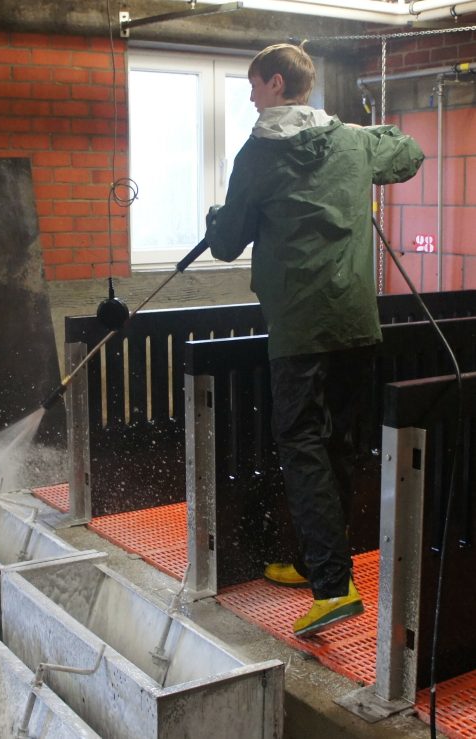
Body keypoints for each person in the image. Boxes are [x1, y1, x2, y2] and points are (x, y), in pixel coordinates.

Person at [203, 42, 424, 637]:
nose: (250, 96)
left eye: (254, 85)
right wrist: (366, 133)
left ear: (276, 83)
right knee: (338, 446)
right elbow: (410, 153)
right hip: (355, 323)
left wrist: (215, 220)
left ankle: (332, 587)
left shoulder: (257, 155)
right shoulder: (350, 141)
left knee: (302, 445)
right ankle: (314, 564)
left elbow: (227, 244)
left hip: (300, 328)